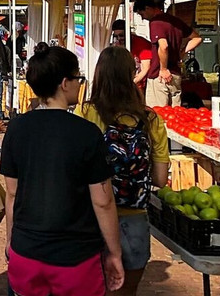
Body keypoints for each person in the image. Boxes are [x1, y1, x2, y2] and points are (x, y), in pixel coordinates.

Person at [0, 45, 125, 296]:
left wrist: (10, 239)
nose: (80, 84)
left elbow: (11, 194)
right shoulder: (86, 133)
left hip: (26, 251)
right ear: (65, 83)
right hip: (75, 257)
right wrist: (114, 252)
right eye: (78, 78)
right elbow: (102, 201)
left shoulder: (17, 128)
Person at [79, 46, 170, 296]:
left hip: (90, 216)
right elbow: (160, 179)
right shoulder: (151, 120)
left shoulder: (87, 113)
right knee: (126, 291)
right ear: (131, 74)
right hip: (134, 218)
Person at [132, 0, 201, 107]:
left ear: (148, 8)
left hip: (159, 75)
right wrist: (181, 53)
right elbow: (197, 38)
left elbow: (163, 46)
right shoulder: (175, 20)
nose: (143, 18)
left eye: (142, 14)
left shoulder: (156, 22)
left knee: (158, 115)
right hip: (175, 74)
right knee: (176, 114)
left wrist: (163, 69)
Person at [110, 19, 152, 89]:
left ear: (128, 33)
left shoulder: (142, 44)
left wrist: (130, 84)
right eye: (116, 36)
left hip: (143, 84)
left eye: (121, 35)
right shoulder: (117, 45)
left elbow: (146, 68)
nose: (119, 39)